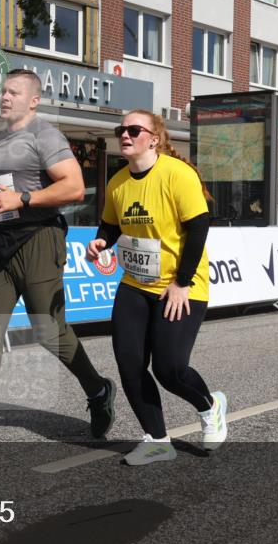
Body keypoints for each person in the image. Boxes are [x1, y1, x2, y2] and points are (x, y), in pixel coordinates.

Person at [0, 69, 115, 455]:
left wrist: (24, 202)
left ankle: (98, 389)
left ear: (33, 100)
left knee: (49, 332)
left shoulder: (44, 135)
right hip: (0, 245)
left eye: (13, 92)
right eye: (2, 91)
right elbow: (5, 196)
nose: (4, 97)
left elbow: (74, 186)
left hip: (39, 240)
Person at [86, 110, 226, 465]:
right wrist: (101, 243)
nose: (125, 135)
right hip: (135, 284)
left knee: (170, 369)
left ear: (154, 138)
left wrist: (181, 282)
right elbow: (110, 227)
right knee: (129, 364)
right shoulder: (118, 181)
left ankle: (210, 406)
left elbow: (199, 228)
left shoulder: (177, 175)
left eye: (134, 129)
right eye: (121, 130)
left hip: (179, 285)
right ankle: (157, 440)